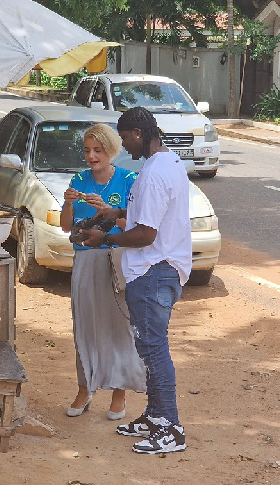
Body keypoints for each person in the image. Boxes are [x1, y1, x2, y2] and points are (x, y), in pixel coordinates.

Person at [81, 107, 191, 454]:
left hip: (153, 271)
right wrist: (117, 213)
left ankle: (171, 428)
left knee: (154, 348)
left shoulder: (155, 173)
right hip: (160, 269)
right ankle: (155, 416)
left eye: (126, 138)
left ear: (139, 134)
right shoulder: (168, 163)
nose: (124, 146)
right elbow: (150, 215)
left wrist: (106, 239)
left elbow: (146, 234)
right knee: (149, 347)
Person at [60, 123, 146, 420]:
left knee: (119, 327)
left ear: (111, 150)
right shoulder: (79, 180)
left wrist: (109, 210)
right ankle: (85, 389)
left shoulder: (129, 180)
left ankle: (119, 393)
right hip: (85, 260)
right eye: (87, 150)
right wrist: (68, 204)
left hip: (117, 259)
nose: (91, 156)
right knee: (84, 327)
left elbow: (137, 225)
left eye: (98, 150)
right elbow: (66, 227)